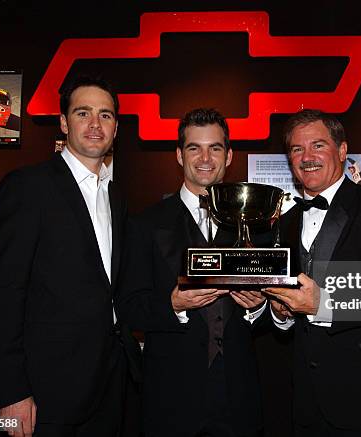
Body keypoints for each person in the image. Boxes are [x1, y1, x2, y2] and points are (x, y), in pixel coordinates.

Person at [0, 76, 141, 437]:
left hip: (109, 387)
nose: (95, 125)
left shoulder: (116, 197)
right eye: (83, 113)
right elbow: (2, 295)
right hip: (45, 395)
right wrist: (12, 391)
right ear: (64, 122)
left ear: (116, 128)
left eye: (106, 115)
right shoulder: (28, 187)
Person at [264, 109, 361, 436]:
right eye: (296, 149)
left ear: (343, 150)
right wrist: (281, 312)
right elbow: (289, 315)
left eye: (318, 145)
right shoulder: (285, 223)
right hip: (308, 406)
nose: (307, 157)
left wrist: (320, 303)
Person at [118, 108, 267, 437]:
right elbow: (129, 307)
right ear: (178, 154)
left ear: (229, 156)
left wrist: (257, 307)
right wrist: (173, 305)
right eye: (194, 148)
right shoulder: (146, 224)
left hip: (239, 395)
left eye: (214, 148)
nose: (205, 158)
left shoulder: (255, 225)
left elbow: (277, 313)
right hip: (171, 396)